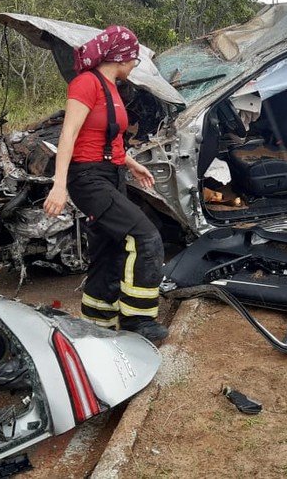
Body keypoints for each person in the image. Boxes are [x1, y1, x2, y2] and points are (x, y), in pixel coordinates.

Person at [43, 25, 169, 342]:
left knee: (110, 249)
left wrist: (132, 163)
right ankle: (137, 320)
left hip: (112, 173)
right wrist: (59, 185)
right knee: (145, 237)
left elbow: (106, 137)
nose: (134, 66)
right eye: (135, 59)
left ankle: (96, 321)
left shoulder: (112, 87)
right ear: (121, 56)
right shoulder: (86, 84)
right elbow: (68, 136)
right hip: (88, 178)